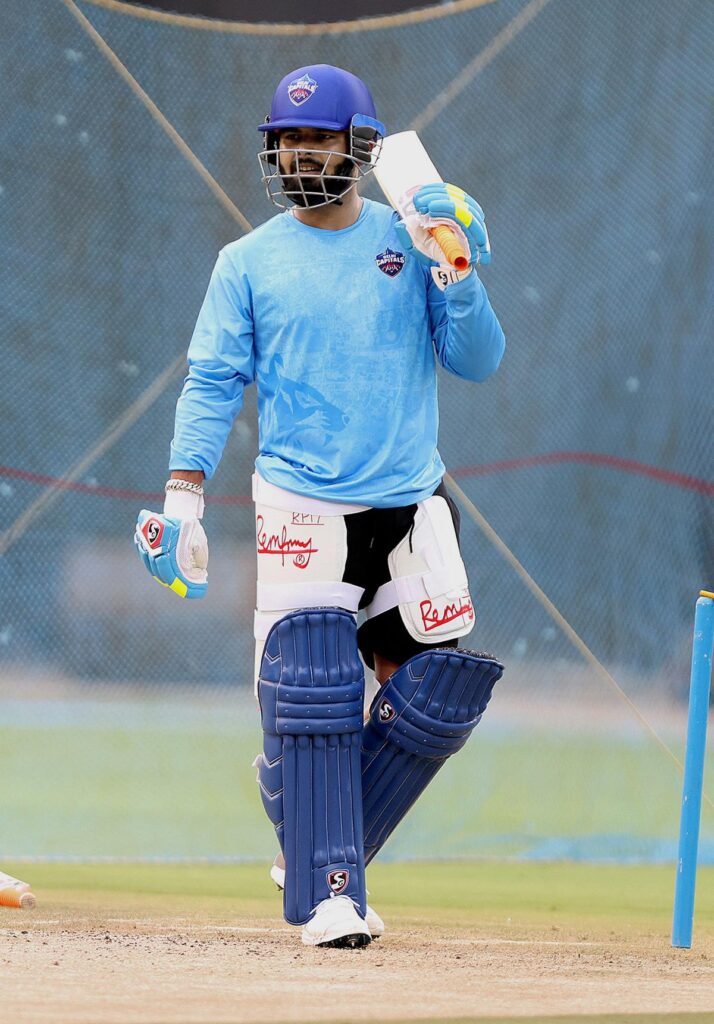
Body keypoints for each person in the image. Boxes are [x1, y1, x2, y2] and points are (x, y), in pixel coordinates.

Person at [135, 64, 505, 949]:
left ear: (360, 148)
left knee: (436, 700)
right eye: (286, 141)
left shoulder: (409, 238)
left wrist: (457, 272)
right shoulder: (246, 263)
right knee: (319, 694)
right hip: (304, 505)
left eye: (317, 139)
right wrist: (182, 495)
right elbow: (213, 382)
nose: (300, 155)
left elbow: (481, 360)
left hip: (414, 504)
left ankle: (308, 836)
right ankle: (330, 886)